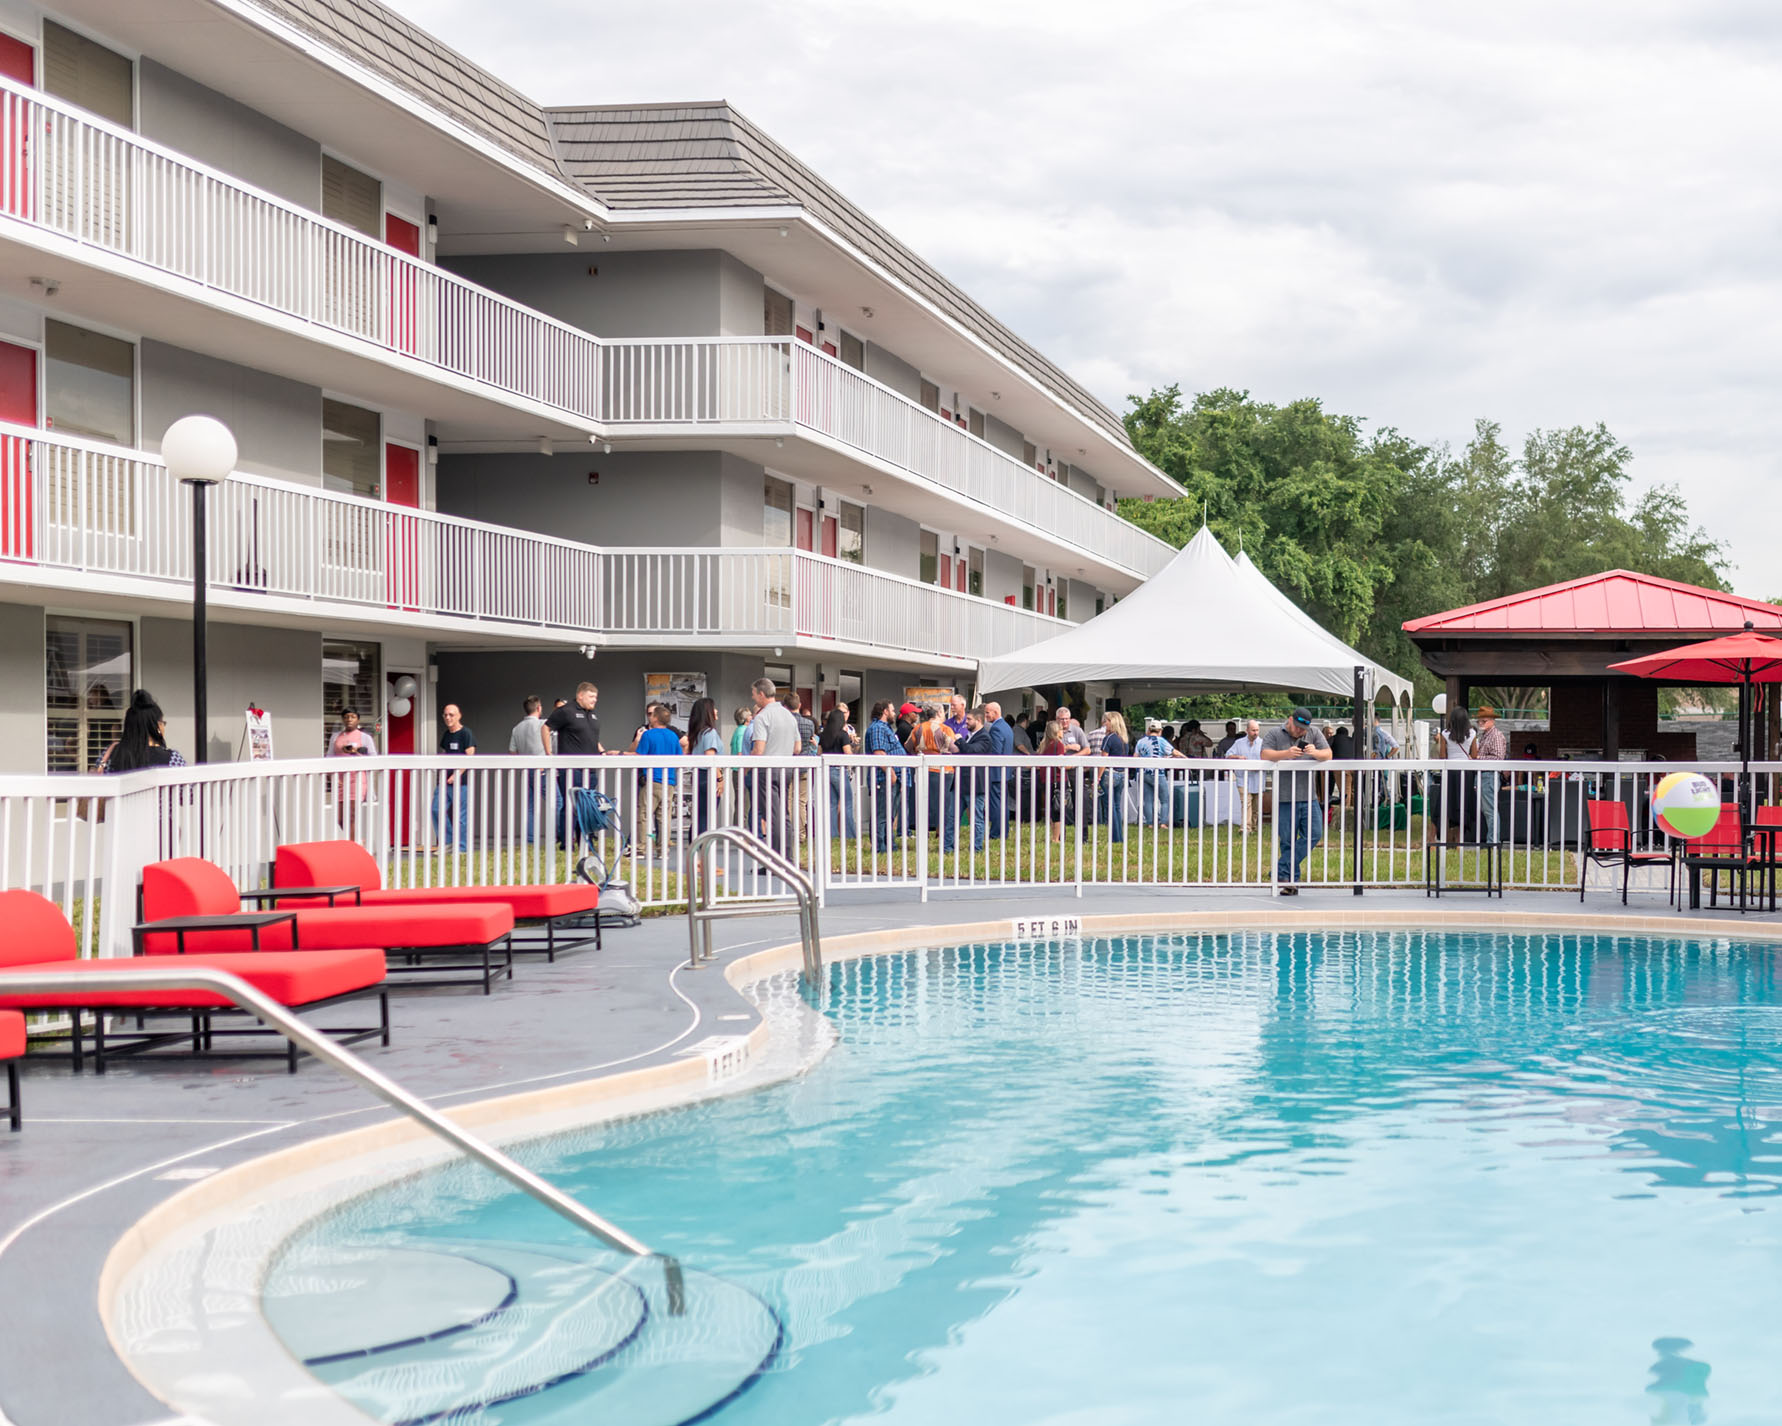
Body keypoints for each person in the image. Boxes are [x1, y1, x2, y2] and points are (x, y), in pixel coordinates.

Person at [1260, 707, 1331, 892]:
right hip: (1284, 797)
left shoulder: (1314, 733)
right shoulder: (1275, 733)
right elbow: (1265, 754)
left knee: (1314, 834)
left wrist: (1315, 752)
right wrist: (1286, 754)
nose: (1300, 732)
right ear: (1289, 720)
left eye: (1303, 729)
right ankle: (1289, 882)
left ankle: (1281, 869)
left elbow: (1328, 754)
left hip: (1309, 796)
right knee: (1287, 841)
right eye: (1298, 727)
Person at [548, 682, 605, 848]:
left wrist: (602, 751)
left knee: (587, 805)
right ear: (580, 695)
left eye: (596, 697)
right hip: (571, 768)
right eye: (591, 697)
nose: (594, 700)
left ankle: (585, 841)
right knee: (570, 805)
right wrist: (549, 753)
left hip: (591, 769)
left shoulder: (592, 714)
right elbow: (546, 728)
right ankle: (566, 842)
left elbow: (591, 738)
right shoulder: (566, 711)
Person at [749, 677, 801, 854]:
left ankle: (776, 859)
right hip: (786, 768)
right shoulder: (788, 714)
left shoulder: (762, 716)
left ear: (762, 694)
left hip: (767, 769)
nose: (753, 697)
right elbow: (798, 747)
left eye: (754, 694)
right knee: (783, 813)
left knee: (771, 816)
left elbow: (758, 749)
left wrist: (745, 767)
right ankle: (786, 855)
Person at [961, 700, 1013, 849]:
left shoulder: (996, 728)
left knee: (996, 804)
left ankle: (996, 833)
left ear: (995, 713)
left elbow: (995, 751)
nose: (985, 715)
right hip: (1005, 771)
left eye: (987, 712)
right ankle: (1003, 831)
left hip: (995, 772)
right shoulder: (1006, 727)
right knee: (1003, 803)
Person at [98, 690, 186, 772]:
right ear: (157, 726)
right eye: (163, 723)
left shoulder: (109, 753)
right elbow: (186, 787)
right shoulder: (172, 759)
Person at [635, 702, 683, 850]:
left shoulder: (648, 735)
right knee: (664, 817)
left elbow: (639, 755)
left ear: (655, 718)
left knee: (643, 814)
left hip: (652, 780)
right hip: (669, 781)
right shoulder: (673, 736)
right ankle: (663, 848)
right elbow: (679, 756)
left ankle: (641, 847)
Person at [864, 700, 908, 851]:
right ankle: (880, 847)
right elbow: (879, 752)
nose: (895, 713)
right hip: (884, 778)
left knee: (890, 814)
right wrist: (891, 773)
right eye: (893, 710)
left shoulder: (886, 728)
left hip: (894, 777)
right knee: (882, 814)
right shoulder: (877, 728)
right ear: (885, 711)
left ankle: (889, 845)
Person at [432, 703, 476, 847]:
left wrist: (457, 774)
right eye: (445, 715)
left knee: (461, 816)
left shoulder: (466, 733)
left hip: (461, 782)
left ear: (459, 716)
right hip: (444, 781)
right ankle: (448, 842)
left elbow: (470, 755)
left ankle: (462, 847)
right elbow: (445, 753)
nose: (448, 718)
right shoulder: (447, 734)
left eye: (451, 715)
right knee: (436, 809)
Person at [329, 708, 376, 837]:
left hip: (357, 779)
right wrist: (333, 777)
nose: (349, 719)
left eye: (352, 717)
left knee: (351, 815)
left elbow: (374, 758)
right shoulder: (336, 736)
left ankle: (352, 845)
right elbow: (329, 758)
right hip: (340, 780)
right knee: (340, 818)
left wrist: (356, 751)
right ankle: (354, 841)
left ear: (358, 719)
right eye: (346, 717)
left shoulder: (364, 737)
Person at [1135, 717, 1183, 826]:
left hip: (1144, 773)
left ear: (1149, 729)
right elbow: (1173, 752)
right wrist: (1185, 758)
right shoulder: (1161, 741)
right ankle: (1163, 823)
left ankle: (1150, 823)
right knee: (1164, 799)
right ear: (1160, 731)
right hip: (1158, 773)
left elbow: (1135, 756)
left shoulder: (1141, 742)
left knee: (1147, 800)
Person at [1436, 705, 1475, 841]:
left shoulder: (1445, 734)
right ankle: (1460, 841)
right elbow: (1474, 755)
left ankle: (1444, 838)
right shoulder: (1472, 734)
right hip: (1466, 774)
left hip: (1450, 772)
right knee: (1463, 805)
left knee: (1447, 804)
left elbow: (1442, 756)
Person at [685, 696, 722, 835]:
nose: (716, 711)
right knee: (708, 816)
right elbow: (711, 759)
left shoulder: (697, 733)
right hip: (708, 776)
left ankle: (694, 846)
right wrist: (720, 779)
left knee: (700, 815)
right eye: (713, 708)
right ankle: (702, 849)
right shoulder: (710, 732)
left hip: (697, 776)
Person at [820, 707, 858, 839]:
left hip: (826, 770)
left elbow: (819, 753)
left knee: (831, 803)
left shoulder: (823, 735)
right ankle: (849, 835)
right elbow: (847, 753)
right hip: (839, 770)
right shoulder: (843, 735)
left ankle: (832, 834)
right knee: (847, 802)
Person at [1472, 705, 1507, 842]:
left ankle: (1493, 841)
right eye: (1479, 721)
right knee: (1488, 811)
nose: (1480, 724)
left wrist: (1478, 758)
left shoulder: (1496, 735)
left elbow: (1498, 758)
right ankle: (1491, 840)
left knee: (1490, 811)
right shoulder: (1487, 735)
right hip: (1483, 775)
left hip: (1489, 775)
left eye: (1483, 721)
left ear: (1492, 720)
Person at [1224, 718, 1265, 834]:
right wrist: (1238, 757)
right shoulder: (1239, 743)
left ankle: (1253, 827)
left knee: (1256, 807)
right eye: (1253, 730)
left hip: (1258, 779)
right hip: (1243, 778)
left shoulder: (1263, 743)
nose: (1255, 733)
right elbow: (1228, 755)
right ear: (1247, 730)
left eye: (1257, 730)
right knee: (1246, 803)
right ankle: (1245, 828)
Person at [1099, 710, 1130, 841]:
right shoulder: (1124, 739)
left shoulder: (1109, 738)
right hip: (1122, 774)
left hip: (1109, 774)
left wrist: (1098, 777)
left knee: (1109, 806)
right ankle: (1119, 837)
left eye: (1105, 721)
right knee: (1117, 806)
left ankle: (1115, 837)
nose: (1103, 723)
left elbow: (1103, 760)